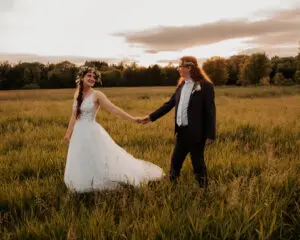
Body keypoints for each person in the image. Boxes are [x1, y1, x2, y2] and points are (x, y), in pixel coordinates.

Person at [63, 66, 165, 193]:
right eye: (89, 75)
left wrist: (132, 118)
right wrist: (68, 134)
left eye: (94, 77)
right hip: (79, 133)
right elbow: (74, 115)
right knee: (81, 158)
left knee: (100, 157)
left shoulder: (97, 95)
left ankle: (104, 180)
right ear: (82, 78)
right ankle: (83, 182)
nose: (92, 78)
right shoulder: (77, 94)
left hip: (91, 131)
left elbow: (113, 109)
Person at [138, 56, 216, 189]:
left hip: (196, 134)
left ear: (189, 68)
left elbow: (210, 111)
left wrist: (210, 135)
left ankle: (203, 190)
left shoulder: (205, 86)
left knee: (198, 164)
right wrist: (151, 117)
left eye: (180, 67)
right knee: (175, 162)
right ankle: (173, 187)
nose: (178, 69)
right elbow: (169, 104)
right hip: (181, 132)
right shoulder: (181, 86)